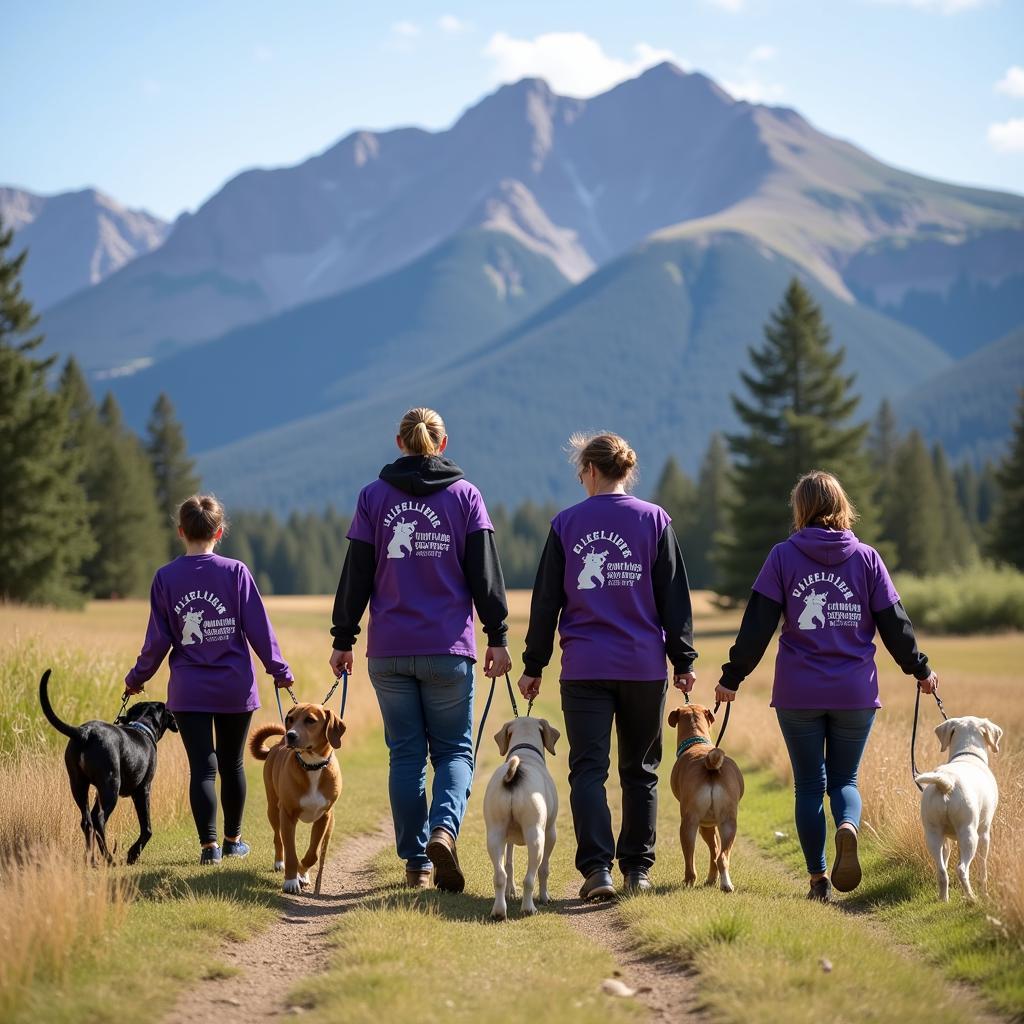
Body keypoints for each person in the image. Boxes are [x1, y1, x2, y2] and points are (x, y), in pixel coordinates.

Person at [717, 470, 938, 901]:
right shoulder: (867, 558)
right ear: (842, 506)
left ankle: (819, 879)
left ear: (801, 509)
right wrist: (920, 669)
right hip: (854, 692)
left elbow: (758, 625)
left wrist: (732, 677)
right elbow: (895, 625)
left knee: (807, 785)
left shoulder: (782, 556)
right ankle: (848, 827)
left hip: (799, 692)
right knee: (845, 779)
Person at [330, 407, 511, 891]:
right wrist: (498, 636)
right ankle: (444, 831)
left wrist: (343, 638)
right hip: (449, 649)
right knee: (454, 750)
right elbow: (485, 575)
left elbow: (357, 574)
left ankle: (416, 863)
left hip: (388, 650)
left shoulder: (373, 498)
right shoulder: (466, 496)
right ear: (443, 443)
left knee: (405, 754)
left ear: (399, 442)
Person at [518, 432, 697, 899]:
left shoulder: (565, 524)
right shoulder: (654, 520)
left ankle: (597, 871)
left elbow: (546, 603)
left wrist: (534, 664)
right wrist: (683, 659)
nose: (581, 479)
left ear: (592, 470)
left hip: (584, 668)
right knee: (641, 770)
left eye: (580, 472)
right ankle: (638, 869)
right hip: (643, 667)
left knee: (588, 771)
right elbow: (673, 598)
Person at [125, 494, 294, 865]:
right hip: (235, 686)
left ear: (181, 531)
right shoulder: (236, 573)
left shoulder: (166, 578)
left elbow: (158, 640)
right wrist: (280, 671)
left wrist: (136, 678)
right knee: (232, 764)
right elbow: (259, 630)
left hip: (189, 691)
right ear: (219, 531)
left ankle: (209, 848)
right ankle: (234, 842)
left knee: (203, 767)